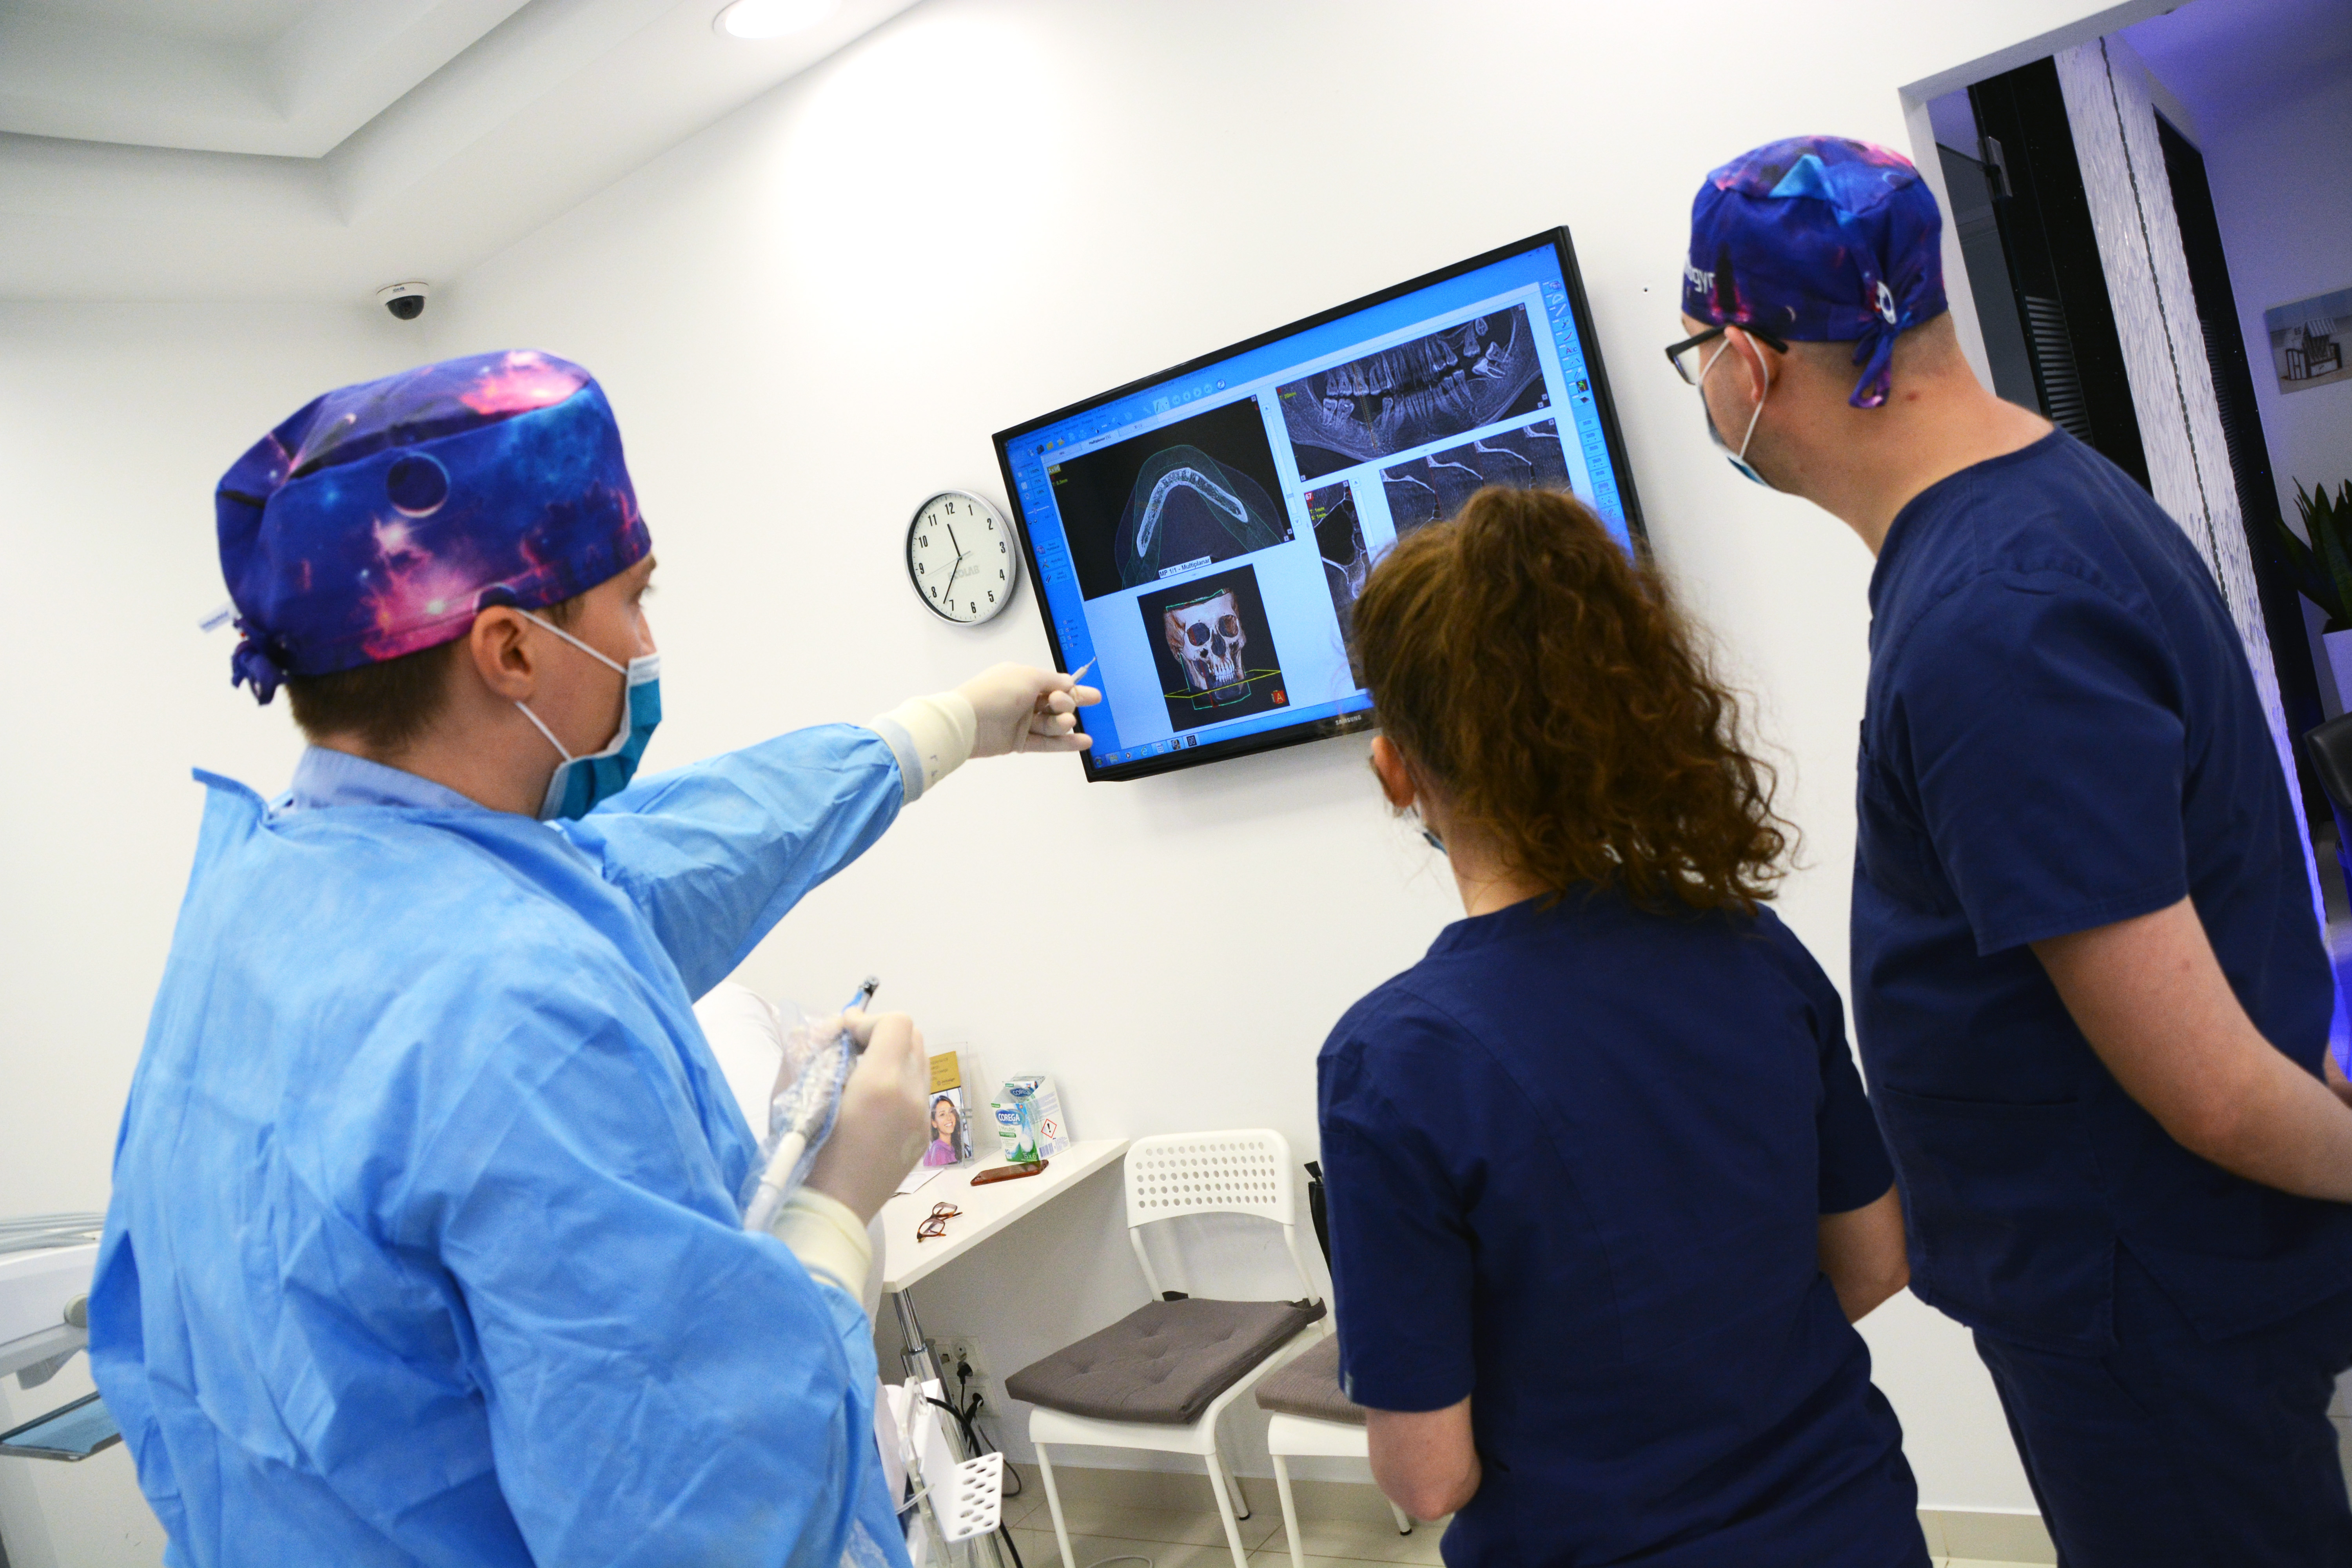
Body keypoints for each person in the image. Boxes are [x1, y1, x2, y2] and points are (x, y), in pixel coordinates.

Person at [86, 350, 1098, 1568]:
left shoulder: (274, 900)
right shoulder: (517, 1005)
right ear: (510, 650)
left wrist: (944, 729)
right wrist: (836, 1208)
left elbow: (648, 865)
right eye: (633, 597)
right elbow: (710, 1519)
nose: (647, 639)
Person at [1674, 135, 2352, 1564]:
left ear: (1748, 360)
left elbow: (2207, 1090)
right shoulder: (2038, 500)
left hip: (2145, 1309)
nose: (1705, 392)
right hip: (2149, 1281)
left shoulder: (1994, 613)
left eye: (1695, 356)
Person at [1317, 485, 1927, 1566]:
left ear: (1396, 769)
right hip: (1853, 1526)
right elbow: (1876, 1260)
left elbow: (1429, 1475)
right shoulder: (1751, 949)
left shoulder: (1394, 1065)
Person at [922, 1094, 965, 1167]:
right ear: (934, 1123)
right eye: (942, 1115)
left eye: (951, 1112)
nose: (949, 1118)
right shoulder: (939, 1151)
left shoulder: (952, 1146)